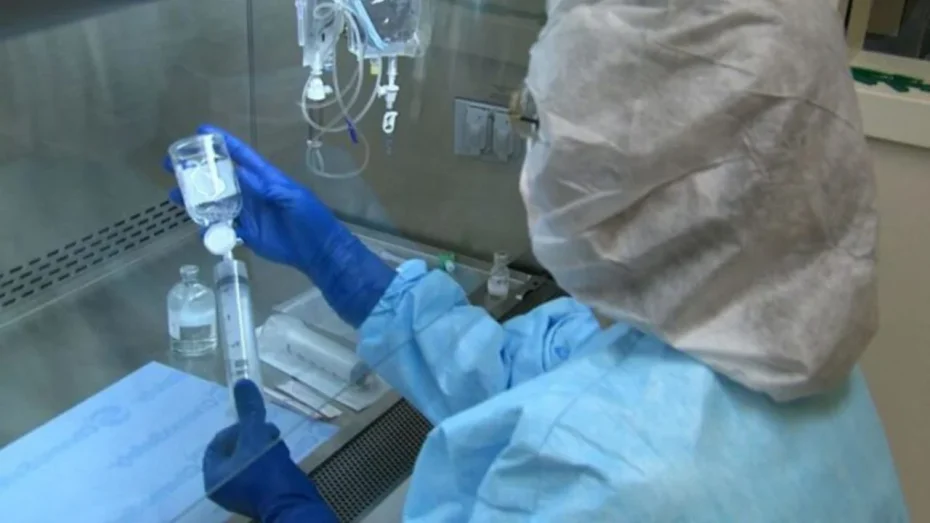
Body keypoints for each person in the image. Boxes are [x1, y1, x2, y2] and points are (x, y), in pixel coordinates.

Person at [175, 0, 910, 521]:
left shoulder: (591, 478)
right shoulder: (777, 353)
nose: (535, 150)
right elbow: (519, 376)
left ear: (647, 173)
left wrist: (289, 506)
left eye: (542, 120)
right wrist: (335, 259)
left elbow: (574, 428)